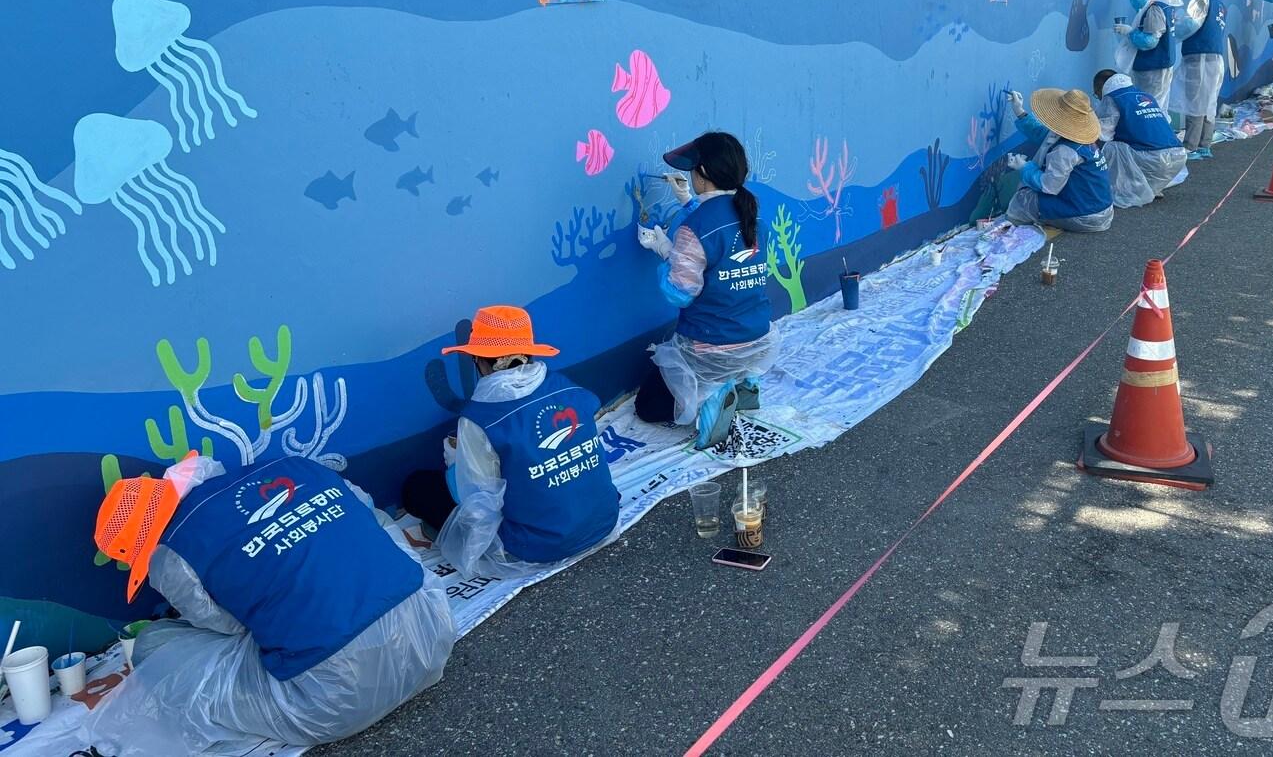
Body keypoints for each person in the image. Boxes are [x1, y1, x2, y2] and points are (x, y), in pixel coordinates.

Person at [85, 453, 454, 755]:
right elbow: (373, 521)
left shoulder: (170, 554)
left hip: (337, 703)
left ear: (143, 545)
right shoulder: (295, 465)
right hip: (432, 634)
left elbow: (230, 628)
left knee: (155, 644)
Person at [403, 305, 622, 579]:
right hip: (602, 519)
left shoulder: (477, 420)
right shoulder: (569, 388)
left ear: (478, 361)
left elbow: (474, 502)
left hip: (539, 546)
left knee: (417, 488)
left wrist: (455, 460)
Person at [636, 131, 778, 449]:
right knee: (730, 364)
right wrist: (687, 202)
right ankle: (743, 382)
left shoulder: (695, 228)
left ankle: (711, 401)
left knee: (646, 405)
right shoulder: (753, 215)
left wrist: (664, 251)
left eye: (692, 169)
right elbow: (722, 247)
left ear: (703, 173)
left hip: (711, 347)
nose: (688, 175)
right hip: (757, 339)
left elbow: (679, 293)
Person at [1004, 88, 1114, 233]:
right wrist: (1019, 111)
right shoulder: (1079, 137)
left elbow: (1049, 186)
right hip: (1100, 206)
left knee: (1024, 199)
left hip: (1086, 216)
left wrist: (1024, 167)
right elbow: (1042, 134)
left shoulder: (1065, 150)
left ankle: (1010, 228)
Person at [1091, 70, 1187, 205]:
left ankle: (1120, 188)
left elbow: (1103, 134)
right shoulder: (1145, 95)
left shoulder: (1112, 98)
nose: (1099, 98)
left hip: (1152, 159)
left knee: (1108, 147)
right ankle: (1150, 188)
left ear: (1101, 88)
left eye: (1096, 94)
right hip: (1177, 157)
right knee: (1131, 145)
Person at [1175, 0, 1229, 159]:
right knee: (1209, 101)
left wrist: (1172, 28)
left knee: (1195, 101)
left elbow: (1189, 26)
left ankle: (1190, 145)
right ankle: (1205, 144)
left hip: (1199, 57)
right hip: (1216, 57)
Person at [1115, 0, 1182, 102]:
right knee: (1157, 108)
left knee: (1148, 108)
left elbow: (1150, 41)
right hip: (1162, 65)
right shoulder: (1167, 1)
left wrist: (1130, 32)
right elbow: (1146, 5)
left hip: (1152, 69)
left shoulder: (1157, 8)